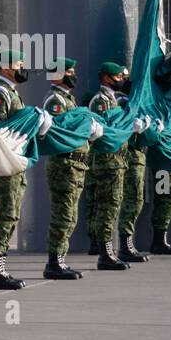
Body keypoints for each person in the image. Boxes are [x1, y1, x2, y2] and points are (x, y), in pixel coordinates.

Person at [0, 49, 29, 288]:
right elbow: (0, 127)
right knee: (4, 215)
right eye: (20, 64)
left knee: (11, 215)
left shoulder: (11, 92)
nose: (23, 68)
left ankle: (0, 267)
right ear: (7, 68)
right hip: (3, 162)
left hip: (13, 161)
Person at [42, 58, 91, 280]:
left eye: (73, 71)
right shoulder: (55, 100)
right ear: (56, 75)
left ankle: (60, 259)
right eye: (68, 71)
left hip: (75, 164)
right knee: (63, 214)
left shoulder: (67, 98)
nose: (73, 75)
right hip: (64, 164)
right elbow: (59, 131)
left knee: (70, 215)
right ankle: (54, 262)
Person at [86, 62, 138, 271]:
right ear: (107, 78)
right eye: (119, 77)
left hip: (118, 160)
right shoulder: (100, 101)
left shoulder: (115, 100)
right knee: (107, 206)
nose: (122, 80)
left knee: (113, 205)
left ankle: (109, 251)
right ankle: (105, 253)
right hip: (106, 160)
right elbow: (106, 129)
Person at [114, 85, 150, 262]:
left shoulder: (136, 104)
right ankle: (125, 245)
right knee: (132, 199)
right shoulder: (122, 102)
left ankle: (127, 244)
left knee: (135, 200)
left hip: (138, 155)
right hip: (131, 155)